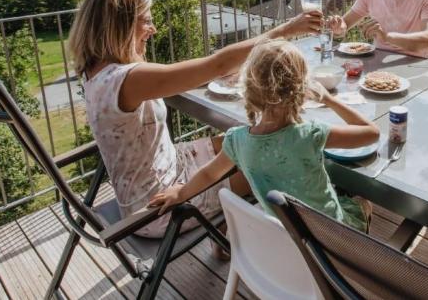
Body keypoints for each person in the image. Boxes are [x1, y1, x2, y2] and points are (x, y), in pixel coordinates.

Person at [67, 0, 322, 239]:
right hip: (157, 206)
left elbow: (182, 76)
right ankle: (244, 239)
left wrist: (213, 75)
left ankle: (227, 230)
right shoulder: (127, 79)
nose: (153, 29)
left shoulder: (97, 73)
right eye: (145, 21)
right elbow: (218, 64)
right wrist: (287, 30)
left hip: (158, 171)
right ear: (118, 26)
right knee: (274, 162)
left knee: (243, 139)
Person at [148, 39, 380, 232]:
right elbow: (372, 133)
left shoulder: (236, 140)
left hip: (284, 232)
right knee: (363, 201)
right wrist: (329, 100)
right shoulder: (311, 133)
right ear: (302, 90)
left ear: (249, 90)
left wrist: (181, 191)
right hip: (329, 238)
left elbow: (209, 173)